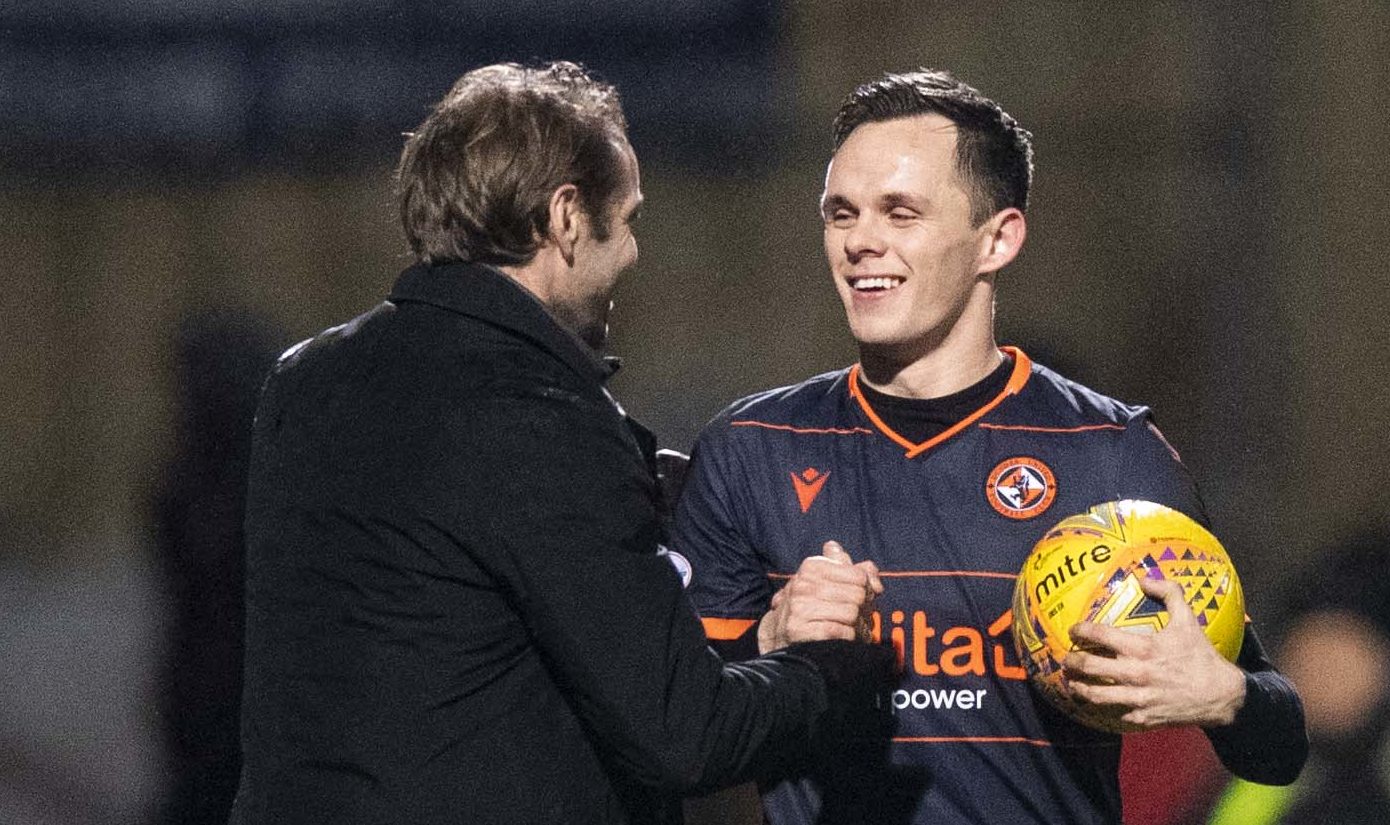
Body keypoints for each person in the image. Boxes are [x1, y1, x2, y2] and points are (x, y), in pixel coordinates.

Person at [230, 61, 891, 825]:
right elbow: (687, 735)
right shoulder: (539, 416)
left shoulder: (303, 381)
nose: (634, 255)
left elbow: (440, 599)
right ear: (568, 217)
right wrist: (833, 669)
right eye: (631, 219)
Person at [672, 69, 1307, 824]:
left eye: (900, 212)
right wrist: (768, 650)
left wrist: (1223, 696)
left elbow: (1281, 741)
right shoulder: (752, 450)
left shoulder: (1111, 452)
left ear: (998, 239)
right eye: (840, 214)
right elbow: (679, 744)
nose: (860, 241)